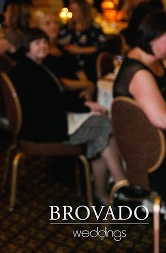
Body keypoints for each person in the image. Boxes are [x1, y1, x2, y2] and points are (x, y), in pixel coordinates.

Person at [9, 27, 124, 205]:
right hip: (42, 129)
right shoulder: (26, 71)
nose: (43, 46)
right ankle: (118, 185)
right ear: (26, 46)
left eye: (45, 42)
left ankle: (110, 188)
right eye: (37, 43)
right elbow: (51, 100)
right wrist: (84, 107)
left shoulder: (36, 65)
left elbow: (55, 97)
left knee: (102, 127)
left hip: (48, 120)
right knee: (103, 126)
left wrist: (84, 105)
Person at [113, 10, 166, 195]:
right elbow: (161, 119)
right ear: (153, 38)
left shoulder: (155, 60)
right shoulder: (139, 73)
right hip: (154, 154)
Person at [57, 0, 109, 82]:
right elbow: (58, 43)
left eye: (75, 10)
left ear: (83, 11)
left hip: (88, 65)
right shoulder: (66, 28)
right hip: (68, 66)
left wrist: (79, 50)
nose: (72, 13)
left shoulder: (94, 29)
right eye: (71, 10)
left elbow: (102, 47)